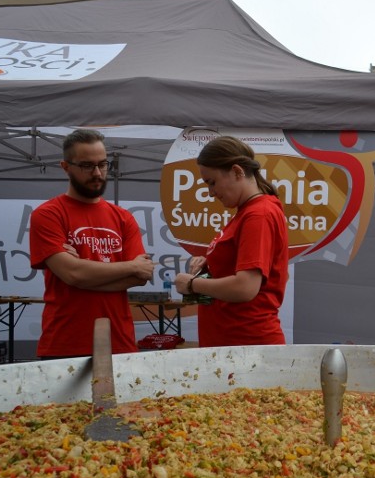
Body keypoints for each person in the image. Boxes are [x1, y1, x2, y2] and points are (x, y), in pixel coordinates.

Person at [29, 129, 154, 357]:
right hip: (65, 342)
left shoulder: (124, 218)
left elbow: (140, 277)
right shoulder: (48, 214)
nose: (97, 173)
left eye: (103, 164)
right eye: (87, 166)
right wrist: (129, 266)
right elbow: (74, 274)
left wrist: (84, 270)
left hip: (119, 342)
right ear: (66, 167)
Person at [174, 136, 289, 346]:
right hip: (234, 344)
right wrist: (210, 264)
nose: (210, 192)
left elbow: (245, 287)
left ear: (237, 172)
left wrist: (192, 284)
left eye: (212, 182)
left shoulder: (258, 215)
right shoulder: (247, 213)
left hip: (245, 343)